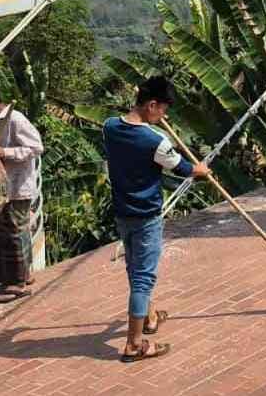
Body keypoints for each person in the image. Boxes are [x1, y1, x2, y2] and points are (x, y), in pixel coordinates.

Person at [103, 75, 210, 363]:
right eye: (162, 109)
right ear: (151, 105)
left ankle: (149, 317)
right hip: (147, 216)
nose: (163, 115)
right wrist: (199, 170)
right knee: (143, 278)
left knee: (134, 269)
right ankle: (134, 345)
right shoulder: (154, 141)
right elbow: (182, 168)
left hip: (123, 213)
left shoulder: (110, 127)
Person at [0, 81, 44, 304]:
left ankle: (18, 283)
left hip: (18, 185)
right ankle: (21, 275)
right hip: (3, 187)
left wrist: (7, 152)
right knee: (5, 230)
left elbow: (36, 148)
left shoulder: (16, 120)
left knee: (15, 231)